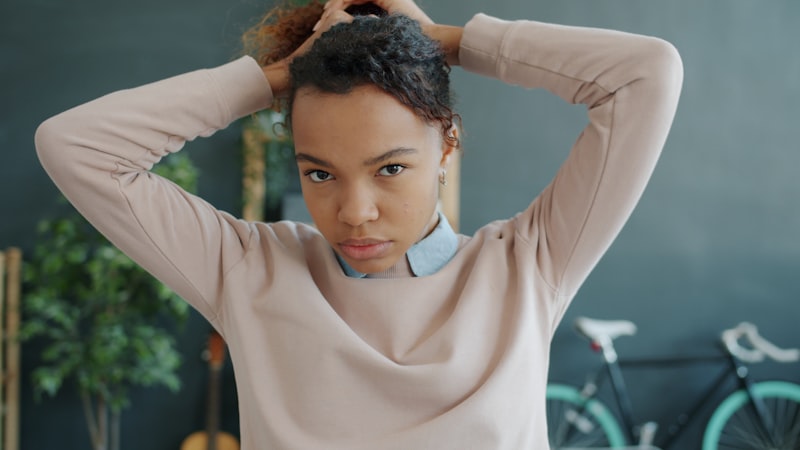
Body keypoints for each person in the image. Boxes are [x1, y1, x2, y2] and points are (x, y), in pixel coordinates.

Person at [35, 0, 683, 448]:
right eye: (319, 173)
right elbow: (74, 145)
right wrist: (278, 79)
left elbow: (646, 74)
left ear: (447, 146)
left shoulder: (527, 265)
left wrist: (452, 42)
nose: (354, 212)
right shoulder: (248, 271)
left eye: (391, 169)